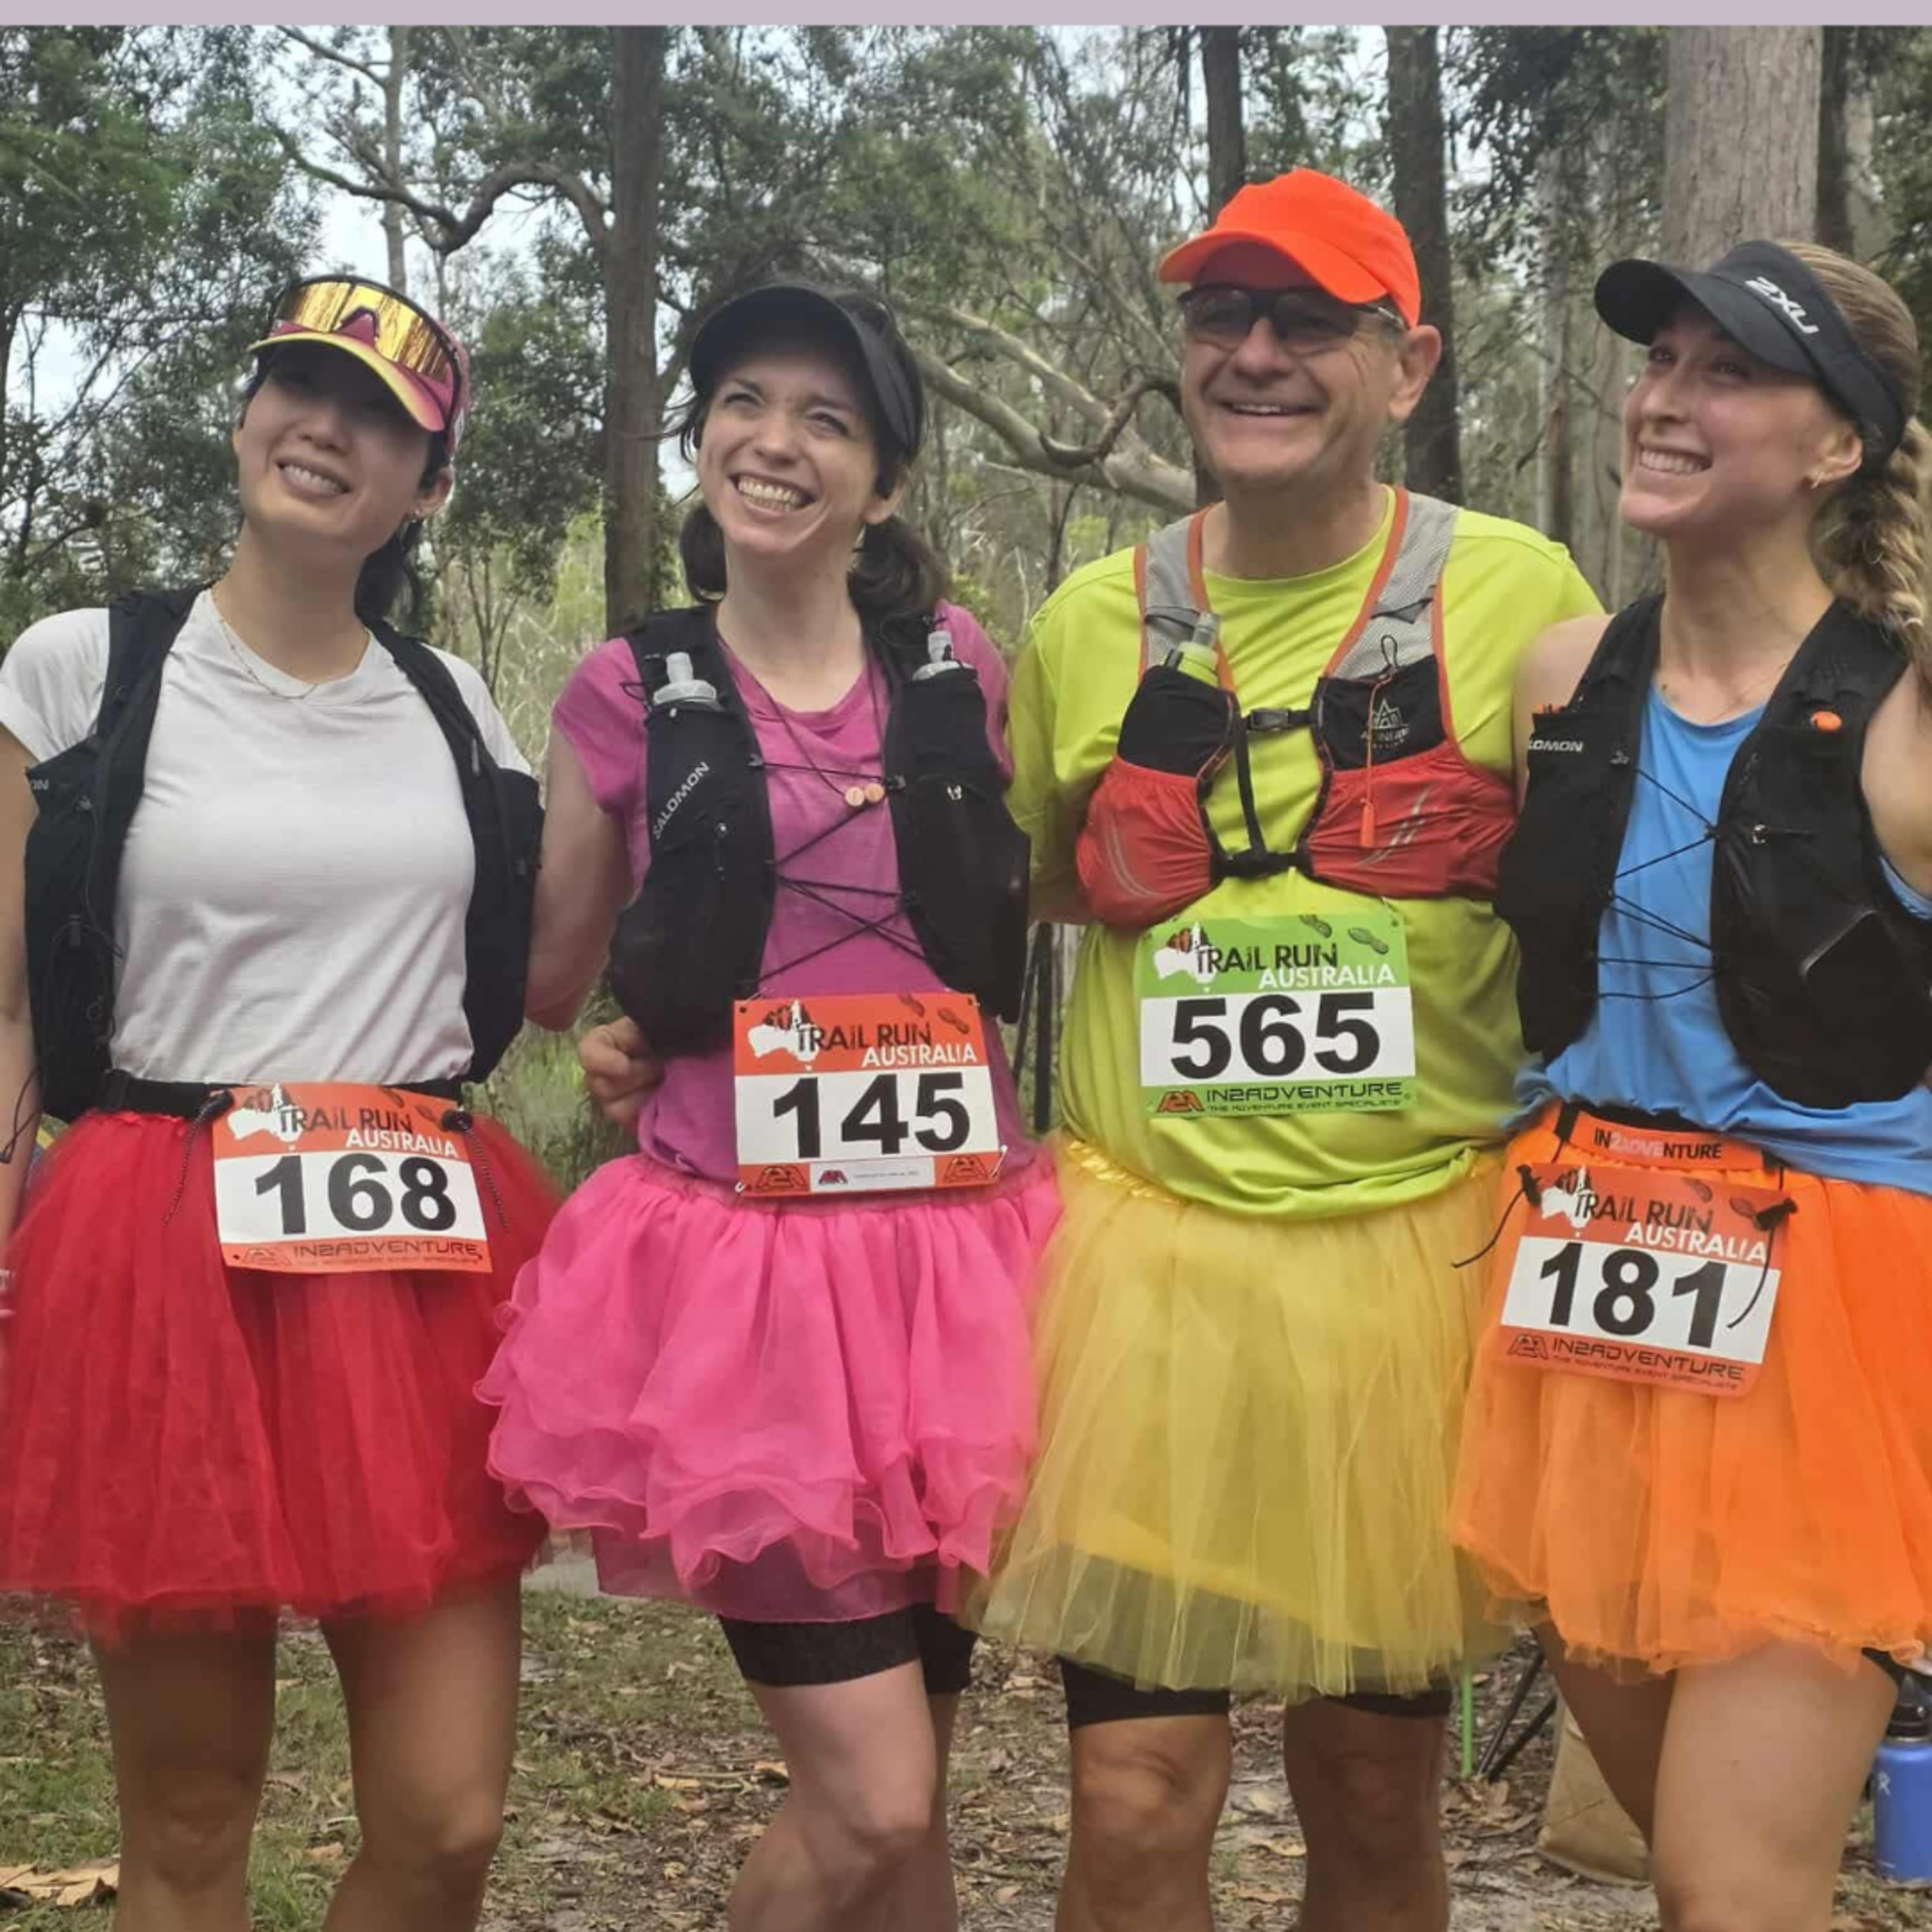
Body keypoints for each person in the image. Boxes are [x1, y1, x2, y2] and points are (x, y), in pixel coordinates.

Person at [583, 174, 1602, 1932]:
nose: (1257, 353)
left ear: (1410, 363)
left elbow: (1628, 880)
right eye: (1222, 316)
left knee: (1374, 1796)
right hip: (1151, 1284)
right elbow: (972, 895)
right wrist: (666, 1024)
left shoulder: (1523, 595)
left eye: (1310, 321)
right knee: (1134, 1800)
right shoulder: (1080, 625)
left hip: (1410, 1272)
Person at [478, 282, 1059, 1932]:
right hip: (753, 1282)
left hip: (959, 1273)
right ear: (702, 436)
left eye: (827, 418)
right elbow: (553, 978)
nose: (775, 441)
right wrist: (622, 1024)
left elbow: (1019, 897)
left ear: (885, 481)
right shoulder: (629, 686)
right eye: (743, 401)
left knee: (919, 1781)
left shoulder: (957, 665)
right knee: (873, 1796)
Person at [0, 278, 554, 1931]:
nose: (327, 428)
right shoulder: (82, 668)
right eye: (300, 386)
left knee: (448, 1817)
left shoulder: (460, 706)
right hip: (162, 1247)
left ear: (428, 486)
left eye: (381, 416)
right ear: (244, 415)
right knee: (187, 1815)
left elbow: (525, 970)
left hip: (416, 1255)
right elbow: (8, 998)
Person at [1452, 238, 1932, 1932]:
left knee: (1731, 1889)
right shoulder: (1562, 678)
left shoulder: (1907, 715)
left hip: (1829, 1333)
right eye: (1662, 359)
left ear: (1836, 446)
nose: (1665, 397)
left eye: (1729, 370)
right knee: (1691, 1872)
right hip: (1590, 1293)